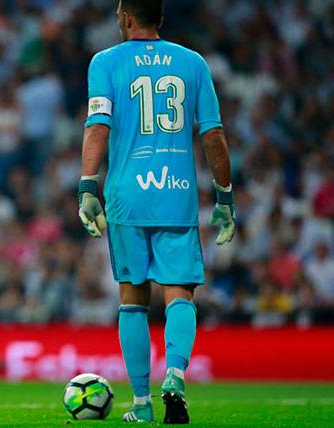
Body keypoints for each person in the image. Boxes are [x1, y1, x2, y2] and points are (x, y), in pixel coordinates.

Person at [77, 0, 235, 424]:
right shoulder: (193, 62)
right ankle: (177, 375)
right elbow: (214, 135)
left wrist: (87, 186)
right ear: (158, 18)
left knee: (133, 298)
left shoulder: (105, 62)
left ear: (127, 18)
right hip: (177, 194)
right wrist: (224, 196)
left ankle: (143, 405)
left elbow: (98, 127)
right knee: (180, 292)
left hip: (127, 195)